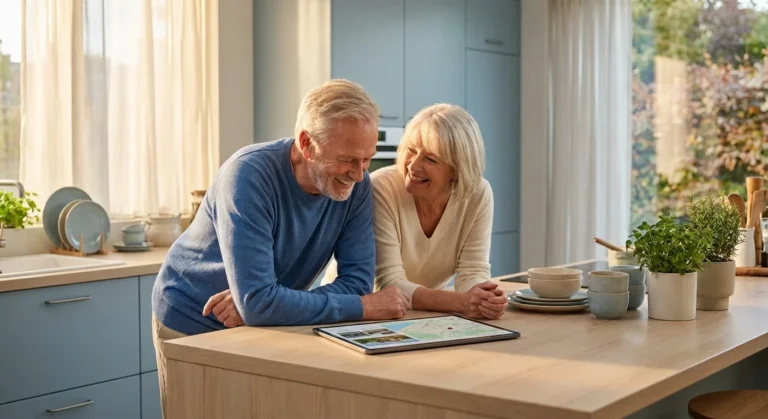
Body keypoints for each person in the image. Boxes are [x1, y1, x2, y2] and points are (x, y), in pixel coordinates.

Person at [151, 79, 409, 418]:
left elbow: (356, 283)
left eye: (367, 160)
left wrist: (270, 301)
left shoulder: (357, 187)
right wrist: (363, 307)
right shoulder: (248, 175)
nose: (360, 175)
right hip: (192, 320)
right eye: (347, 160)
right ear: (307, 143)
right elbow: (264, 302)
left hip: (271, 325)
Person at [323, 103, 506, 319]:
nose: (413, 166)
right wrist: (461, 302)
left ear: (457, 170)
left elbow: (472, 271)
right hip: (358, 312)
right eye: (411, 150)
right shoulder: (381, 188)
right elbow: (388, 282)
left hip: (416, 313)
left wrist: (484, 298)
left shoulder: (478, 194)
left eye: (430, 159)